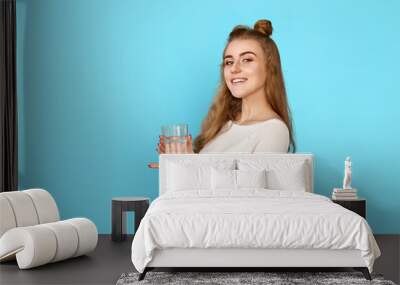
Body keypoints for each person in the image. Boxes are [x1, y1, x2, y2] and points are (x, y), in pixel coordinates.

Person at [149, 19, 295, 168]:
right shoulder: (224, 125)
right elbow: (208, 183)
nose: (234, 69)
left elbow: (249, 191)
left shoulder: (274, 130)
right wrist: (184, 161)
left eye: (247, 59)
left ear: (270, 68)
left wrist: (188, 166)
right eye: (229, 62)